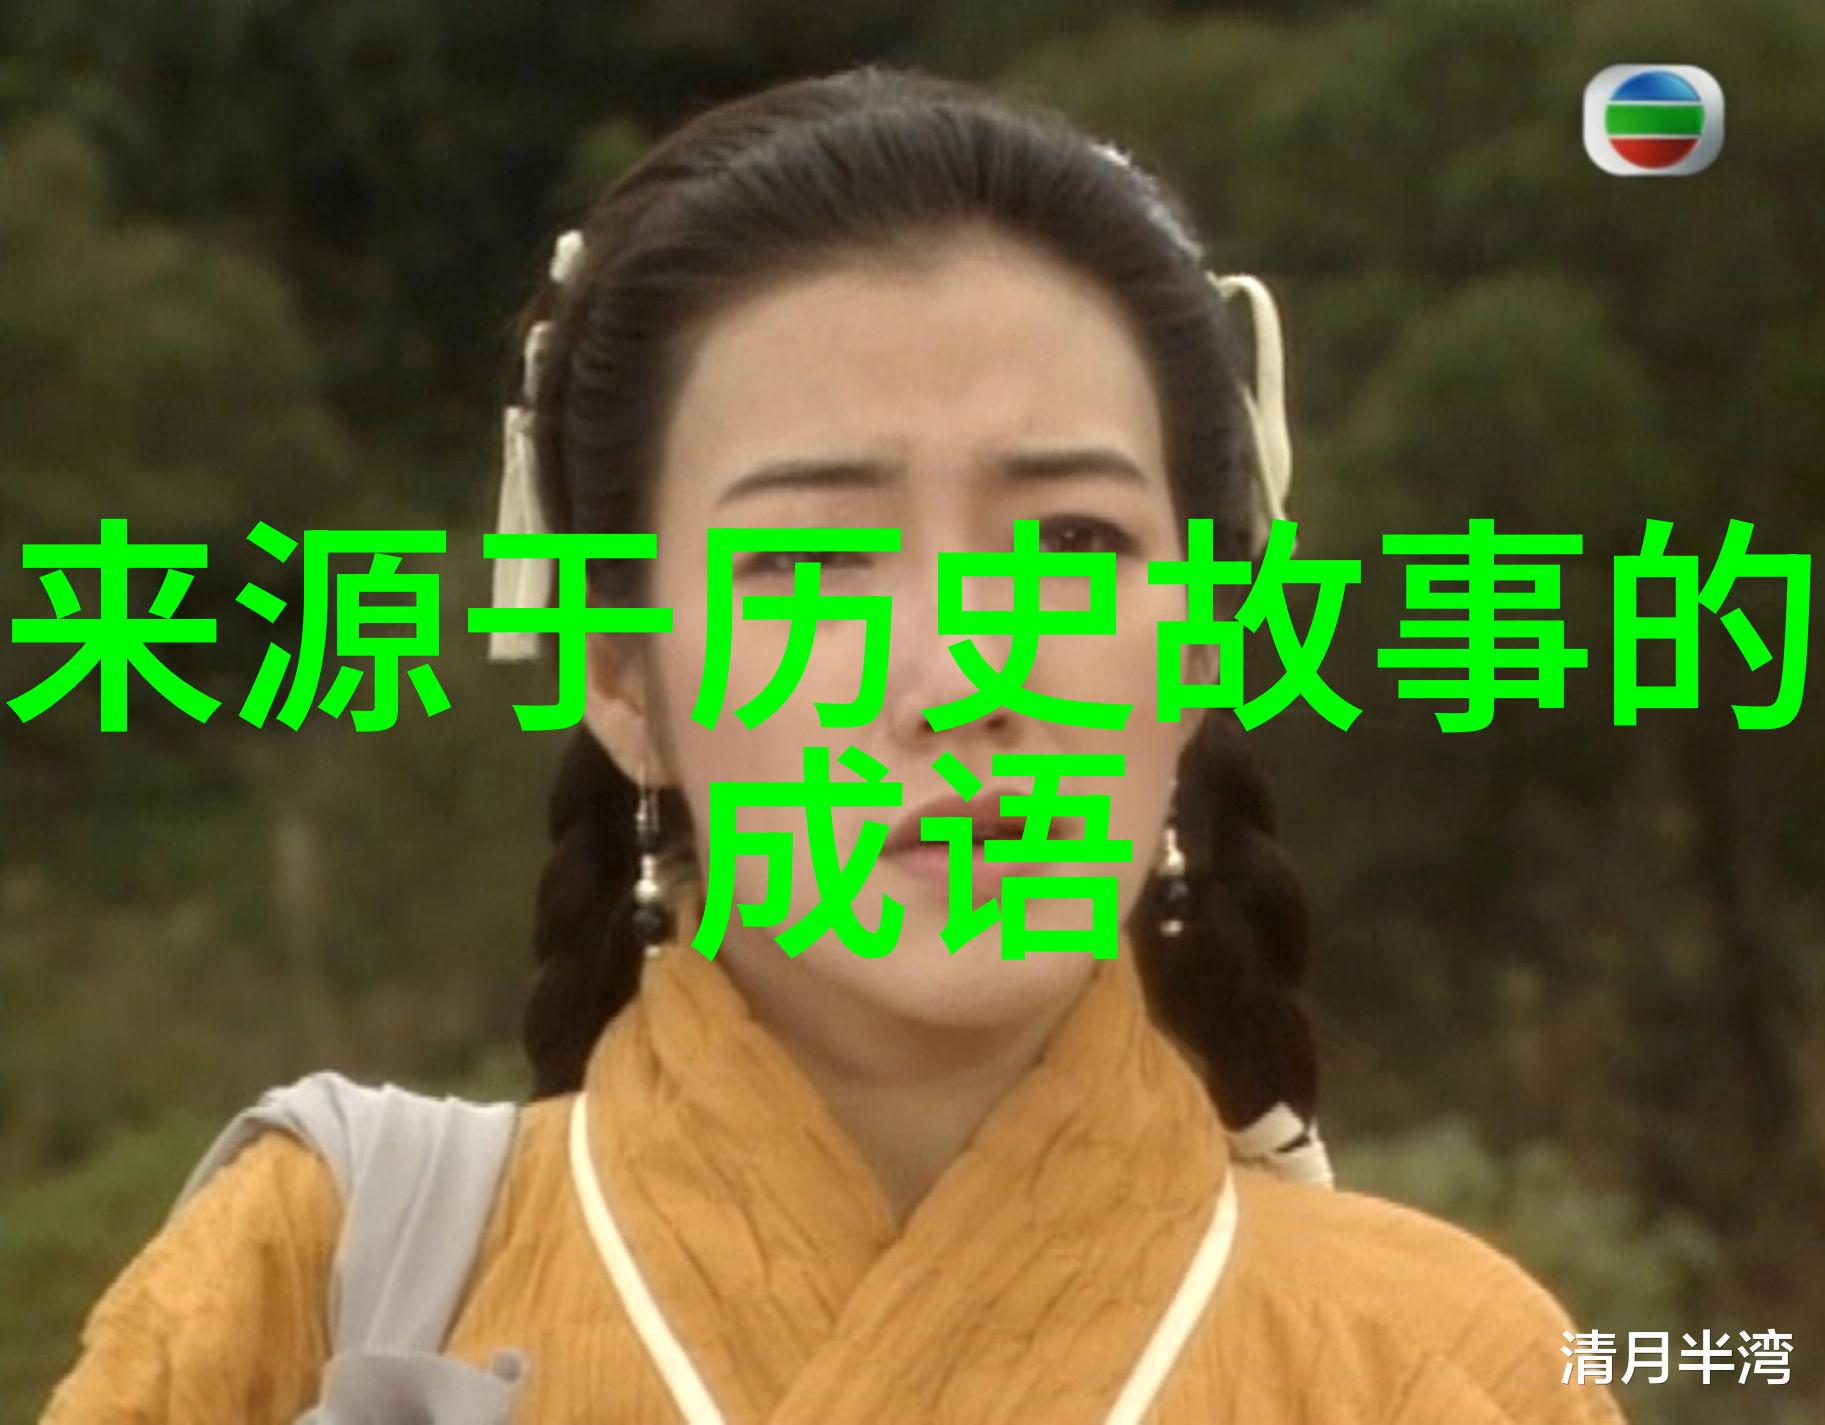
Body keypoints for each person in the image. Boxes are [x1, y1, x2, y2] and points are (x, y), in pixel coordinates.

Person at [42, 65, 1627, 1424]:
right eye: (809, 565)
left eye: (1073, 544)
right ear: (622, 673)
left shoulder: (1438, 1363)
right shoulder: (311, 1285)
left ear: (1205, 638)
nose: (957, 675)